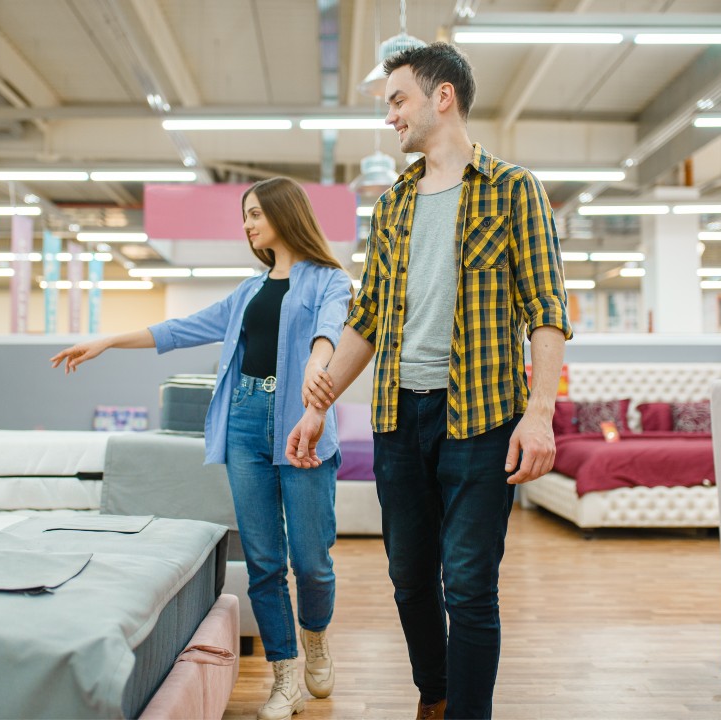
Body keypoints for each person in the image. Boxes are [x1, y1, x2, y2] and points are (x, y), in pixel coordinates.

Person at [286, 42, 572, 720]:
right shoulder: (391, 207)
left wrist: (538, 415)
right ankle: (434, 696)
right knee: (409, 579)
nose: (389, 116)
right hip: (397, 418)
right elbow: (367, 319)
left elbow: (545, 310)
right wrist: (318, 403)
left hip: (480, 419)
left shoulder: (513, 190)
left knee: (469, 584)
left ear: (441, 97)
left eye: (396, 99)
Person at [51, 177, 352, 720]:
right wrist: (108, 340)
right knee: (263, 561)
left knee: (311, 561)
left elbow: (330, 330)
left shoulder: (329, 280)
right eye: (246, 216)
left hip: (301, 427)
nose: (248, 224)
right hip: (243, 424)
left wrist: (316, 363)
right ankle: (284, 679)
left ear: (286, 213)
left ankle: (317, 638)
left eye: (256, 213)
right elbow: (182, 329)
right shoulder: (247, 292)